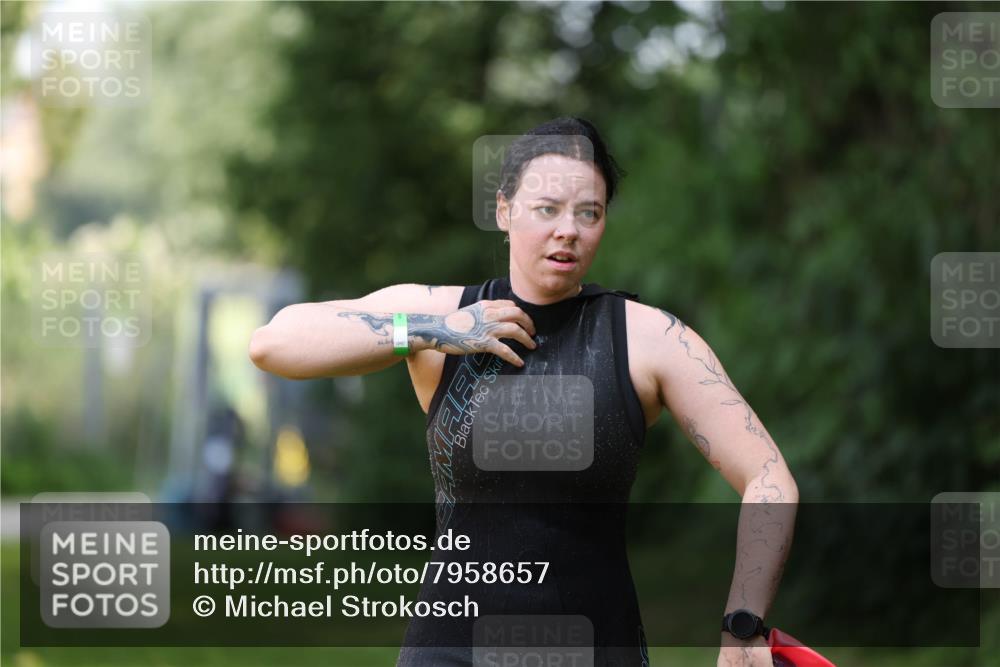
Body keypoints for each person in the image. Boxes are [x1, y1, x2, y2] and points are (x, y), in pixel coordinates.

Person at [249, 117, 799, 667]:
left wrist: (743, 628)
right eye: (548, 208)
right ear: (503, 210)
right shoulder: (440, 315)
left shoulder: (648, 339)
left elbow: (769, 477)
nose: (569, 230)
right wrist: (435, 331)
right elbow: (274, 343)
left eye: (590, 212)